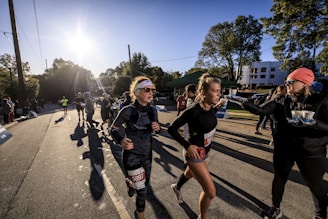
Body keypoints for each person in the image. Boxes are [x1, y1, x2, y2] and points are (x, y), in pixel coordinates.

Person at [228, 67, 328, 219]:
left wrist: (313, 123)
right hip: (284, 148)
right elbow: (261, 110)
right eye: (286, 81)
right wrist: (244, 102)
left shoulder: (320, 101)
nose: (286, 84)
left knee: (315, 185)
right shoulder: (281, 99)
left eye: (290, 82)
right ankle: (275, 208)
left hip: (311, 151)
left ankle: (320, 215)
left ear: (304, 83)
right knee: (279, 179)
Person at [168, 73, 225, 219]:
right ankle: (202, 217)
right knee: (210, 191)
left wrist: (217, 108)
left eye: (219, 91)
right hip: (194, 153)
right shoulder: (192, 111)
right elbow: (171, 129)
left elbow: (206, 120)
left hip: (205, 151)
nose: (218, 94)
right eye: (215, 91)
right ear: (203, 92)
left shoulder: (210, 108)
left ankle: (177, 187)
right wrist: (188, 146)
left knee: (190, 173)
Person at [110, 76, 160, 219]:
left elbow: (155, 129)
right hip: (131, 155)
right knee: (142, 190)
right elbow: (113, 128)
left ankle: (130, 183)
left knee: (144, 184)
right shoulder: (127, 111)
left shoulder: (153, 111)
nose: (151, 93)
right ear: (137, 92)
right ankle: (140, 214)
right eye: (147, 90)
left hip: (147, 154)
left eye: (153, 90)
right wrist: (121, 140)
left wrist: (157, 128)